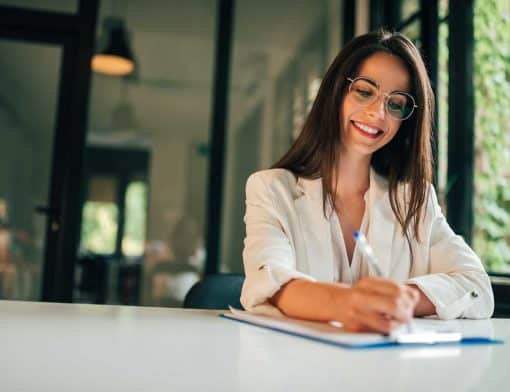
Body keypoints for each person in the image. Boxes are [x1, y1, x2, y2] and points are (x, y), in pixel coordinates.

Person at [240, 30, 494, 334]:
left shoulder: (414, 199)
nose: (378, 113)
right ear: (336, 92)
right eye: (364, 91)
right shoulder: (271, 189)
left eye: (396, 104)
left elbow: (477, 287)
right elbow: (269, 282)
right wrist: (348, 303)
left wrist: (402, 300)